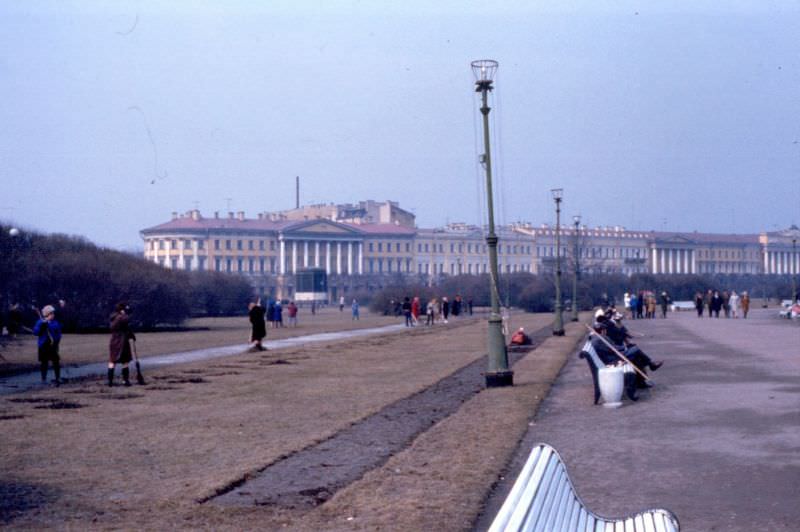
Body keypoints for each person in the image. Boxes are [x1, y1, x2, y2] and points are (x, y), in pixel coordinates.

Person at [108, 302, 136, 387]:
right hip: (122, 341)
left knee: (112, 361)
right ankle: (125, 380)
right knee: (125, 361)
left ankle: (110, 381)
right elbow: (127, 324)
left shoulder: (113, 317)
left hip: (113, 341)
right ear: (122, 310)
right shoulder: (122, 318)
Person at [33, 305, 62, 385]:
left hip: (52, 345)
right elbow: (35, 332)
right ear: (47, 314)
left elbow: (58, 333)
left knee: (56, 361)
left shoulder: (55, 323)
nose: (53, 315)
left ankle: (58, 377)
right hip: (43, 345)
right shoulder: (40, 322)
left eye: (53, 313)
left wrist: (56, 342)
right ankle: (43, 378)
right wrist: (42, 326)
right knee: (44, 362)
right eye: (51, 313)